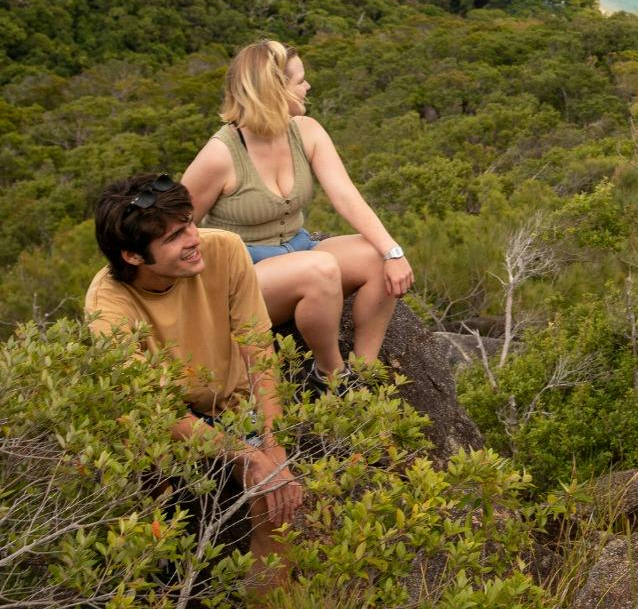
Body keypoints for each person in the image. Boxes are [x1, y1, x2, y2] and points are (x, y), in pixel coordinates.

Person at [85, 173, 302, 579]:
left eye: (189, 223)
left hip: (232, 403)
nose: (193, 239)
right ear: (133, 256)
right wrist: (247, 454)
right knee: (138, 523)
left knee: (276, 504)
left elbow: (258, 348)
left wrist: (274, 446)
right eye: (173, 237)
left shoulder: (225, 248)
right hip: (164, 423)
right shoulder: (108, 302)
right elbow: (151, 408)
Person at [181, 40, 413, 379]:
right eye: (299, 80)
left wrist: (392, 252)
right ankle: (331, 375)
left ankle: (365, 373)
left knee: (377, 257)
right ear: (274, 89)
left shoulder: (306, 130)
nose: (308, 86)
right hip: (245, 273)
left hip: (298, 246)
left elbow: (346, 196)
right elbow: (177, 230)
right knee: (318, 269)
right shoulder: (220, 155)